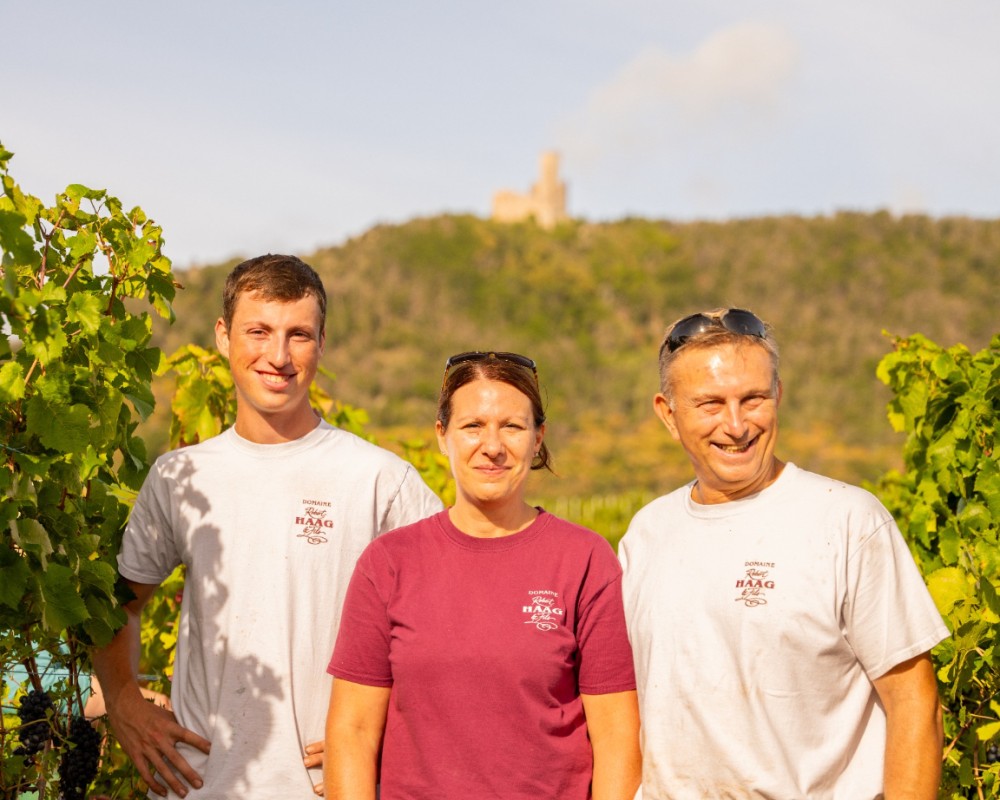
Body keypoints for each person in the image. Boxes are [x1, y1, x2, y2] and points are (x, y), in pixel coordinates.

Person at [91, 254, 443, 799]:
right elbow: (120, 603)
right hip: (201, 786)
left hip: (336, 788)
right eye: (259, 331)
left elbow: (458, 615)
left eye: (298, 335)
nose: (278, 356)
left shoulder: (380, 480)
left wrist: (398, 723)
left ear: (321, 344)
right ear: (222, 336)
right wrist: (124, 702)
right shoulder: (180, 475)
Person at [618, 308, 949, 799]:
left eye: (752, 399)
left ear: (778, 395)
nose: (735, 425)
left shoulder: (848, 521)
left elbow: (916, 705)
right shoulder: (647, 533)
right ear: (668, 414)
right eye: (710, 404)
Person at [324, 351, 641, 800]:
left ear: (538, 439)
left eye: (512, 426)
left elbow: (616, 738)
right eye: (473, 426)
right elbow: (352, 732)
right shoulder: (389, 563)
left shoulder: (585, 559)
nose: (492, 445)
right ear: (442, 436)